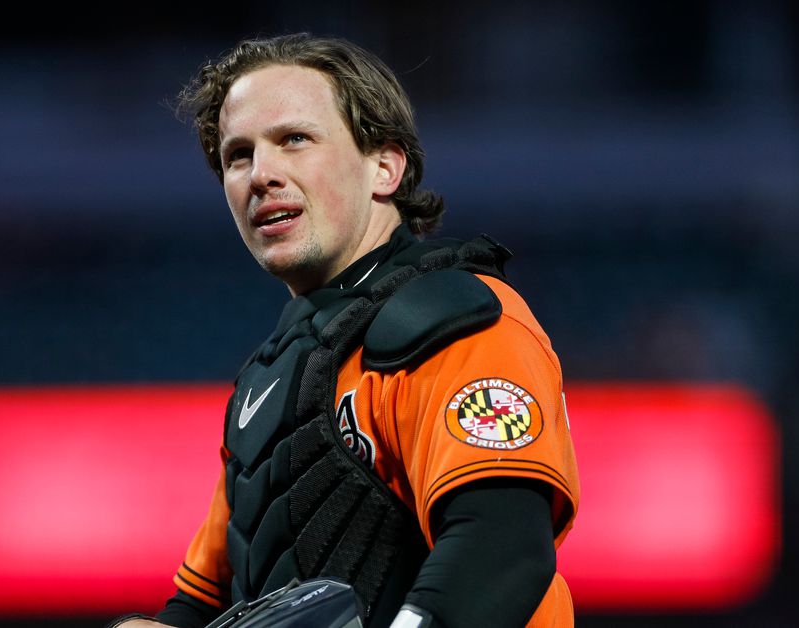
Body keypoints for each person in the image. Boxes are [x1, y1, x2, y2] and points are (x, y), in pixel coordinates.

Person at [110, 33, 579, 628]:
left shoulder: (456, 324)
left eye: (294, 139)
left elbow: (501, 548)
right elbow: (205, 602)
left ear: (384, 167)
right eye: (238, 155)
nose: (261, 174)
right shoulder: (268, 381)